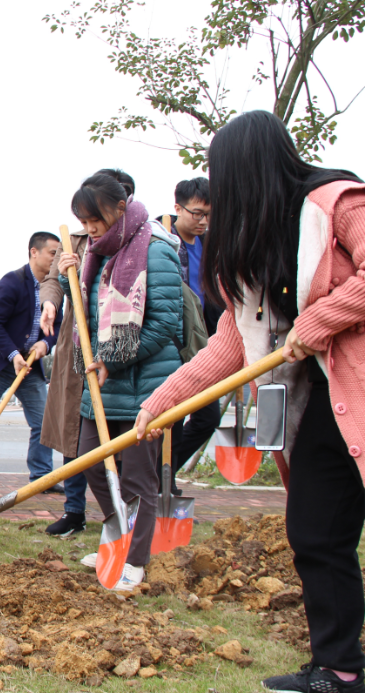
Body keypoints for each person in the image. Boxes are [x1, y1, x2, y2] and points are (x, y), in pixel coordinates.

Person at [135, 110, 365, 693]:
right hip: (317, 414)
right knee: (315, 537)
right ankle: (338, 673)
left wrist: (320, 320)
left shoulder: (340, 203)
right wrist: (164, 400)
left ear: (250, 168)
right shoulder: (251, 244)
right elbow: (235, 338)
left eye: (223, 175)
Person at [52, 172, 183, 588]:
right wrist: (65, 277)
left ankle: (136, 560)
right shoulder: (95, 253)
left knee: (138, 478)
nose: (88, 229)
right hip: (103, 384)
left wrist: (114, 357)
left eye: (95, 219)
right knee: (90, 461)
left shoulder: (155, 250)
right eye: (83, 220)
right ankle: (117, 538)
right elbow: (88, 313)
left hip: (146, 382)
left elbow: (165, 323)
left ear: (121, 209)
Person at [38, 168, 139, 537]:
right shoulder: (76, 240)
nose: (95, 224)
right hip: (79, 346)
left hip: (120, 347)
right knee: (74, 429)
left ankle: (126, 510)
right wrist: (52, 300)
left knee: (119, 432)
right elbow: (54, 282)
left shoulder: (140, 243)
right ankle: (74, 510)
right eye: (89, 216)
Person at [0, 232, 63, 486]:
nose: (56, 258)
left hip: (30, 368)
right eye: (53, 253)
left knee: (44, 424)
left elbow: (59, 328)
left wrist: (45, 343)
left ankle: (41, 478)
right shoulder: (12, 281)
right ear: (34, 252)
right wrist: (13, 354)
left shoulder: (55, 289)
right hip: (0, 364)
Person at [158, 177, 222, 478]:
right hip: (169, 340)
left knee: (207, 417)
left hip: (202, 342)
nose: (203, 221)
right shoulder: (160, 238)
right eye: (197, 213)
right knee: (170, 418)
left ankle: (161, 478)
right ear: (177, 208)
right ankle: (158, 485)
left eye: (208, 215)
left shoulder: (211, 244)